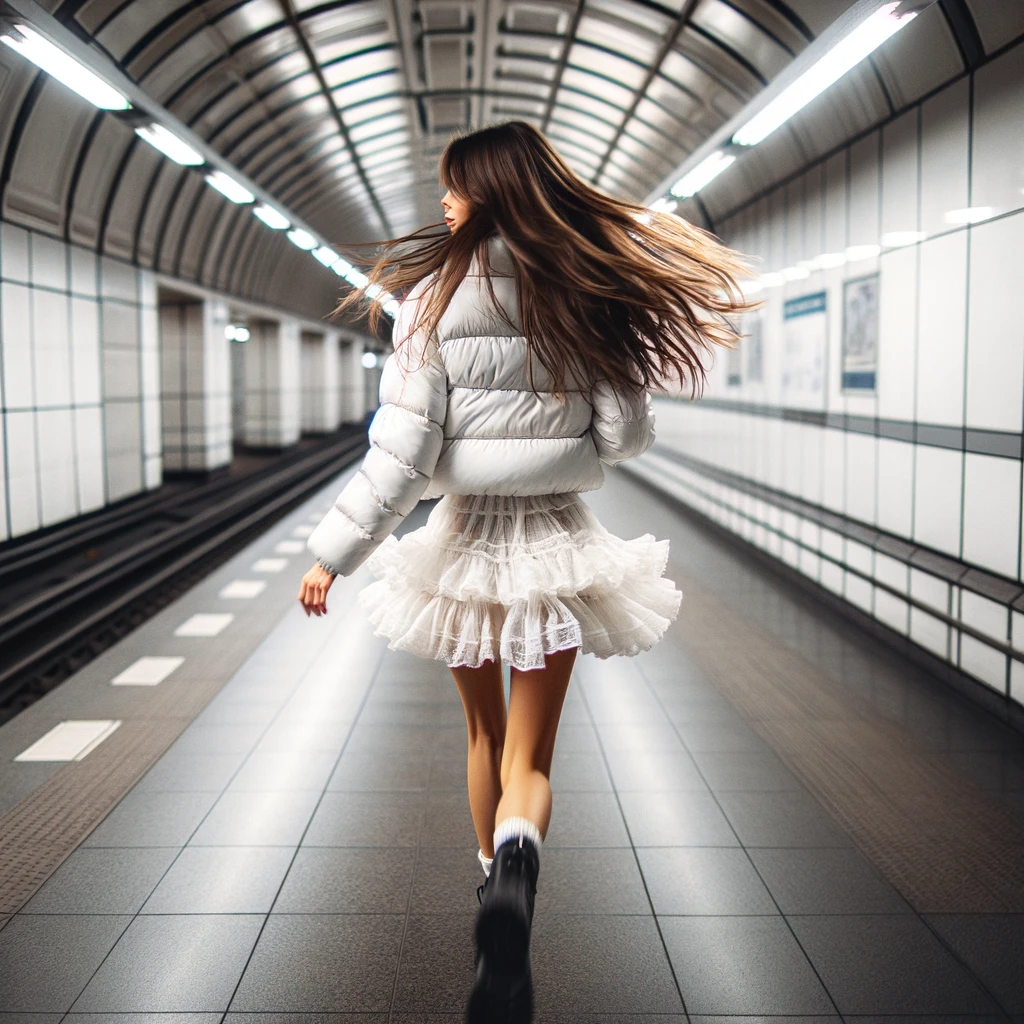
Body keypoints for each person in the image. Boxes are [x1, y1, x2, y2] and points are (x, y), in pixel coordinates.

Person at [297, 121, 753, 1022]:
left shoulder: (429, 303)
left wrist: (332, 555)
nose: (445, 203)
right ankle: (519, 857)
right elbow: (622, 437)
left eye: (454, 188)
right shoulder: (582, 289)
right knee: (532, 752)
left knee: (482, 735)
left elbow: (401, 455)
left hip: (460, 543)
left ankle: (490, 894)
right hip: (559, 540)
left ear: (490, 191)